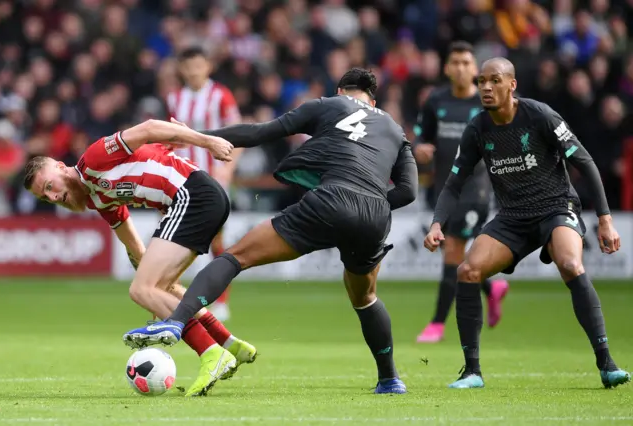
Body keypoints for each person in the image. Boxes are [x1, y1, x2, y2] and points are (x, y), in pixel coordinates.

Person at [124, 68, 418, 394]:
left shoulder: (331, 105)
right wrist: (368, 208)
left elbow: (261, 132)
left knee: (236, 256)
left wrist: (195, 136)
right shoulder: (395, 129)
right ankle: (390, 379)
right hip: (376, 214)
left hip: (331, 200)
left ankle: (177, 322)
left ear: (340, 91)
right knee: (365, 297)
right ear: (374, 99)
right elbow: (408, 191)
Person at [423, 57, 631, 389]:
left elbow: (586, 163)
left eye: (494, 80)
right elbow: (453, 184)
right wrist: (437, 224)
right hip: (512, 217)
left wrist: (605, 220)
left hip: (555, 208)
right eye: (482, 82)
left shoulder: (540, 116)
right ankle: (472, 371)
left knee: (569, 263)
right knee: (467, 271)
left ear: (511, 85)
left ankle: (607, 363)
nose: (486, 87)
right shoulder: (477, 128)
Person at [23, 119, 257, 397]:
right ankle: (228, 343)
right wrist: (153, 293)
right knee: (156, 288)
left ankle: (211, 354)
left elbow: (148, 128)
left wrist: (207, 141)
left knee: (141, 289)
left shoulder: (95, 159)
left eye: (50, 185)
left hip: (193, 196)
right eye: (47, 197)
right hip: (199, 201)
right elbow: (131, 240)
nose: (54, 195)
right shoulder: (97, 198)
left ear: (61, 167)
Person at [414, 41, 509, 343]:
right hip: (445, 189)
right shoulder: (435, 101)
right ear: (446, 68)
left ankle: (437, 323)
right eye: (455, 62)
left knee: (453, 250)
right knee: (454, 256)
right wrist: (421, 150)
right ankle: (491, 289)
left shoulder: (485, 104)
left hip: (475, 189)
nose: (460, 68)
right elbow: (421, 138)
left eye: (466, 63)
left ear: (475, 70)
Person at [166, 47, 243, 322]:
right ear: (182, 69)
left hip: (213, 178)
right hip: (181, 180)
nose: (194, 71)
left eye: (199, 65)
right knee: (173, 238)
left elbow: (238, 132)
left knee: (216, 241)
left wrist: (228, 169)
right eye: (188, 66)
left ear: (208, 66)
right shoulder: (174, 97)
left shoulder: (220, 95)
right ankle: (170, 297)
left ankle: (221, 301)